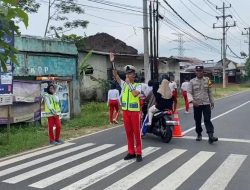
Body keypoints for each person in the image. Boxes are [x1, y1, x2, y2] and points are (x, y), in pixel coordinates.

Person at [113, 65, 143, 162]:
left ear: (133, 75)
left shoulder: (138, 85)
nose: (127, 75)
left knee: (137, 133)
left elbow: (135, 94)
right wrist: (112, 62)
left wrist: (129, 84)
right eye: (127, 74)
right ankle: (131, 152)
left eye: (129, 74)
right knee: (128, 133)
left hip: (134, 112)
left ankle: (139, 153)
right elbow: (116, 76)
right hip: (126, 112)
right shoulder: (124, 85)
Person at [188, 65, 218, 144]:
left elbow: (210, 91)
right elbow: (189, 93)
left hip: (206, 103)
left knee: (207, 119)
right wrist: (192, 101)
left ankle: (211, 136)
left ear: (203, 71)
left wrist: (212, 101)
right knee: (197, 120)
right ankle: (199, 134)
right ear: (195, 72)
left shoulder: (207, 80)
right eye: (197, 71)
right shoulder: (192, 81)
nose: (199, 72)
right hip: (197, 104)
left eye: (200, 71)